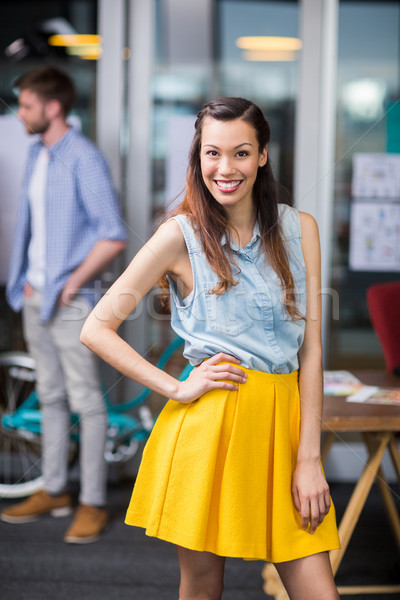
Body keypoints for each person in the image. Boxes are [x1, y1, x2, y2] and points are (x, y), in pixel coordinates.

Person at [80, 97, 340, 598]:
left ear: (262, 155)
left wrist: (309, 459)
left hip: (282, 428)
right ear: (198, 157)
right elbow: (95, 327)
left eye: (241, 153)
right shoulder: (178, 235)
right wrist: (176, 388)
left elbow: (311, 353)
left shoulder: (298, 228)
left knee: (317, 589)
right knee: (202, 587)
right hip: (208, 427)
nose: (225, 168)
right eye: (212, 153)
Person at [1, 66, 127, 544]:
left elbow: (113, 234)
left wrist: (72, 284)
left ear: (53, 107)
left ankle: (92, 501)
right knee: (50, 396)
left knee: (86, 403)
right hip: (35, 296)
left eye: (27, 106)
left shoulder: (84, 158)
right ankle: (54, 489)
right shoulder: (38, 154)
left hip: (71, 301)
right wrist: (31, 284)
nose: (22, 116)